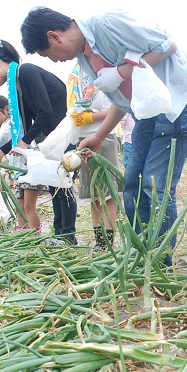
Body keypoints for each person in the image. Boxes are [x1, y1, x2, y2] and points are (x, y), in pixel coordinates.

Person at [20, 7, 187, 262]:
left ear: (54, 36)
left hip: (180, 97)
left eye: (47, 54)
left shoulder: (106, 25)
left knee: (154, 185)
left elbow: (167, 45)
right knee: (132, 184)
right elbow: (123, 99)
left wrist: (122, 71)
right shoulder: (86, 57)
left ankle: (159, 261)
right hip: (148, 107)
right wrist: (100, 136)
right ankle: (141, 253)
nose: (53, 61)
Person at [0, 40, 78, 244]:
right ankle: (59, 234)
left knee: (63, 187)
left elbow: (45, 112)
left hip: (67, 134)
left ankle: (68, 236)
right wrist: (3, 150)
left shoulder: (26, 72)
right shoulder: (17, 85)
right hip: (53, 138)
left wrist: (25, 142)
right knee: (54, 185)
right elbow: (24, 125)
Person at [67, 62, 122, 250]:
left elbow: (117, 107)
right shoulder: (76, 72)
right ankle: (100, 241)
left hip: (104, 135)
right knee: (93, 193)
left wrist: (90, 117)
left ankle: (107, 242)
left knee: (108, 192)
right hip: (83, 137)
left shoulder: (102, 67)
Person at [0, 95, 47, 232]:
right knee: (20, 206)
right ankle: (21, 231)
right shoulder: (11, 127)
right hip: (19, 172)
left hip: (29, 169)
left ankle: (35, 234)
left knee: (29, 206)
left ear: (6, 109)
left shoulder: (12, 124)